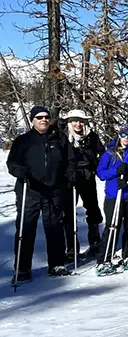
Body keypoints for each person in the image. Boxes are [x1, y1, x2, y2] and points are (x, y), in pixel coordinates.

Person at [8, 106, 75, 281]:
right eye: (39, 117)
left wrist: (71, 173)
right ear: (32, 120)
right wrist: (20, 171)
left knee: (54, 228)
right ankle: (22, 268)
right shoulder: (23, 141)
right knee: (26, 229)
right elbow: (12, 163)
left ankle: (56, 264)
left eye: (46, 117)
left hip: (54, 191)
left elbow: (70, 160)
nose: (44, 120)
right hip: (29, 191)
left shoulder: (59, 138)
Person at [94, 125, 128, 275]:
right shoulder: (110, 153)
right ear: (119, 135)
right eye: (123, 134)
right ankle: (104, 259)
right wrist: (115, 172)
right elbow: (100, 173)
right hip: (114, 194)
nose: (126, 138)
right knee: (112, 226)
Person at [62, 109, 105, 259]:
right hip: (68, 179)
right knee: (68, 212)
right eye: (75, 120)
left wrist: (95, 165)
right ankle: (71, 247)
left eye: (81, 121)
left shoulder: (91, 136)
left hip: (87, 176)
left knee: (93, 209)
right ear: (69, 121)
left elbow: (102, 153)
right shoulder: (63, 136)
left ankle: (95, 242)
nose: (78, 124)